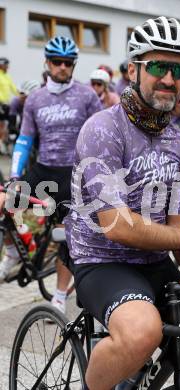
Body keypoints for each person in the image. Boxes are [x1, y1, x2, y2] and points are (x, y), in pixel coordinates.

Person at [65, 16, 180, 390]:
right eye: (158, 66)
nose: (169, 79)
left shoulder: (175, 140)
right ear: (133, 69)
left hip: (155, 263)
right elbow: (119, 226)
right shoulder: (104, 129)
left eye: (179, 69)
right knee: (144, 332)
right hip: (103, 261)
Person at [0, 36, 102, 316]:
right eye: (57, 62)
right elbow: (24, 139)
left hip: (73, 174)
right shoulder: (35, 98)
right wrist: (15, 175)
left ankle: (58, 297)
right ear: (47, 63)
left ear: (73, 65)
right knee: (2, 199)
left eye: (68, 63)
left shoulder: (86, 96)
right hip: (43, 168)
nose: (62, 68)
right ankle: (11, 251)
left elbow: (102, 133)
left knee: (67, 237)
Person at [0, 57, 18, 154]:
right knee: (1, 124)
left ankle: (4, 142)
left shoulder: (7, 76)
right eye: (6, 65)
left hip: (6, 104)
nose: (8, 67)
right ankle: (1, 144)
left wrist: (21, 95)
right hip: (0, 103)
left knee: (7, 124)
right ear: (1, 65)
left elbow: (13, 88)